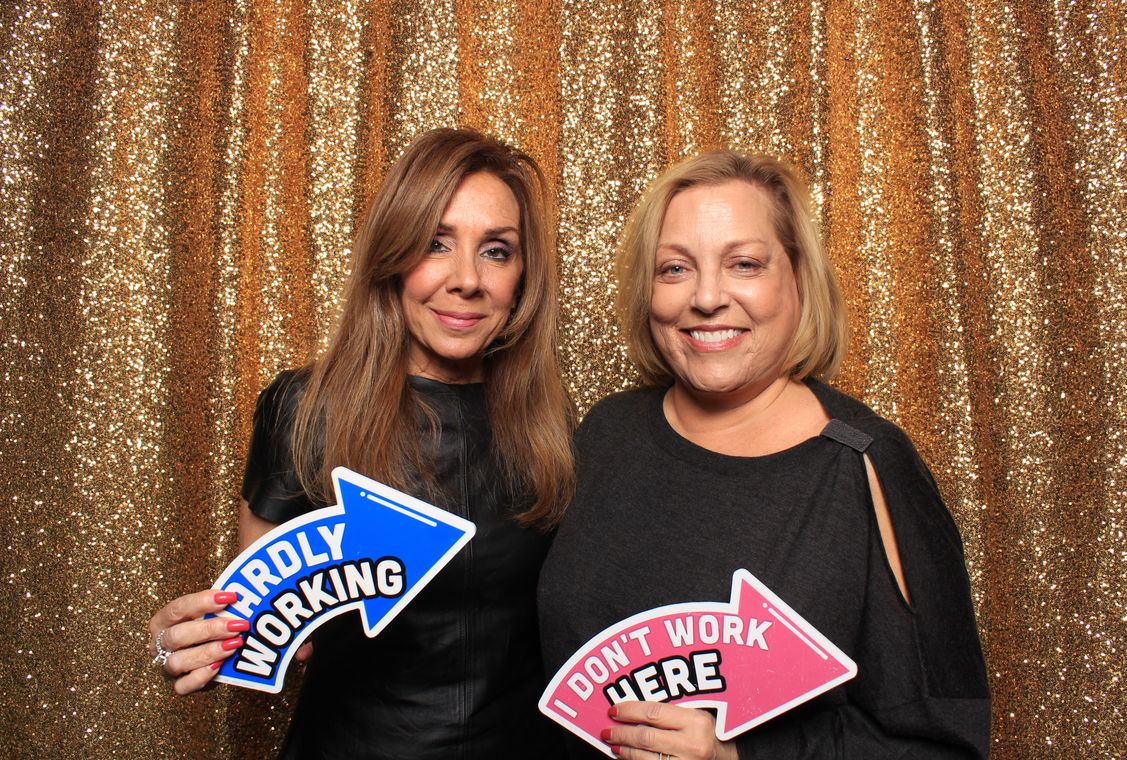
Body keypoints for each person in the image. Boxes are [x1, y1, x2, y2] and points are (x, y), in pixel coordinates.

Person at [538, 151, 991, 759]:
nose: (705, 297)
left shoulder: (866, 465)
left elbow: (944, 745)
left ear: (798, 279)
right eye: (673, 268)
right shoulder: (605, 433)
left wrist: (738, 758)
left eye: (744, 264)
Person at [147, 127, 576, 759]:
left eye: (496, 251)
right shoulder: (305, 409)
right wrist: (189, 643)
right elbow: (262, 632)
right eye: (435, 244)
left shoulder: (555, 426)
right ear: (393, 254)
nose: (466, 280)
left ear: (523, 276)